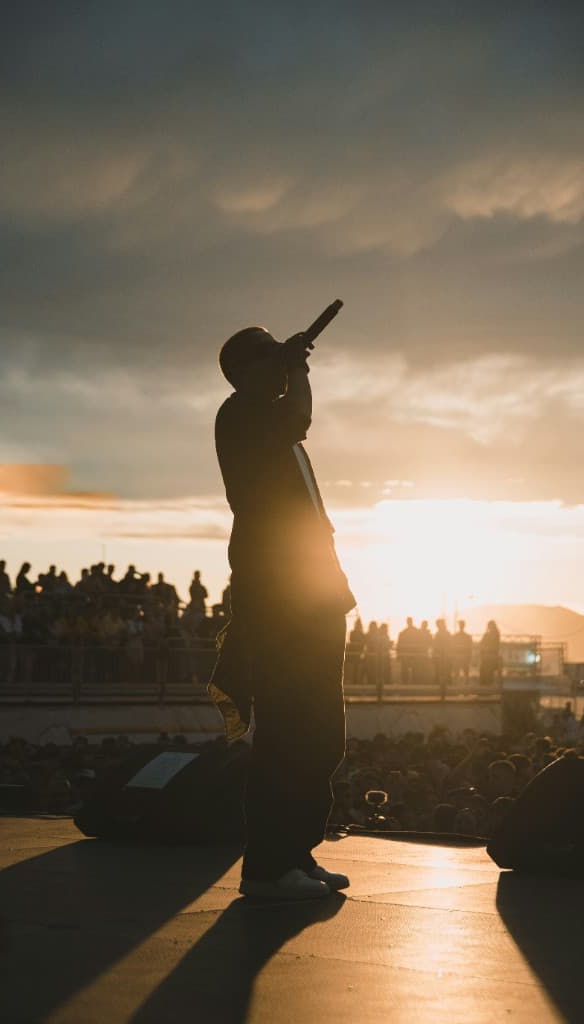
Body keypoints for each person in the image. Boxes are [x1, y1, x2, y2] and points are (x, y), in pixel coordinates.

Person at [209, 321, 356, 900]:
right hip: (279, 599)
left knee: (321, 734)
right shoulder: (242, 414)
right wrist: (297, 367)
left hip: (313, 594)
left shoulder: (267, 422)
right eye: (267, 359)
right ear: (243, 373)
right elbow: (300, 415)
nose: (280, 366)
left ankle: (296, 854)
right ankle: (269, 867)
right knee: (288, 734)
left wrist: (292, 365)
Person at [479, 620, 501, 686]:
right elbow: (481, 643)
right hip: (486, 656)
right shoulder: (487, 635)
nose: (490, 628)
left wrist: (486, 648)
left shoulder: (496, 634)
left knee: (488, 669)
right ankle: (484, 684)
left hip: (492, 656)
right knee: (484, 669)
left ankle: (487, 683)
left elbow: (495, 645)